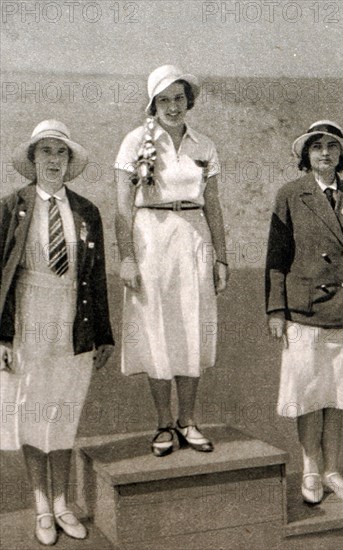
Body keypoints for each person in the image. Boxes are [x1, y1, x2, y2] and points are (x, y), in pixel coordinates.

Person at [0, 120, 114, 545]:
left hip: (74, 317)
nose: (53, 159)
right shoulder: (11, 208)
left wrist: (103, 334)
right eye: (44, 152)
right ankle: (41, 506)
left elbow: (95, 278)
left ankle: (63, 501)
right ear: (33, 161)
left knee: (63, 410)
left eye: (60, 152)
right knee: (31, 409)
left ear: (69, 162)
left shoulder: (87, 212)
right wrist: (1, 337)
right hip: (28, 315)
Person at [115, 65, 229, 457]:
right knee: (156, 328)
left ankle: (188, 419)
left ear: (189, 101)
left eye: (179, 98)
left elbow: (213, 206)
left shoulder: (205, 146)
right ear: (153, 104)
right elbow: (120, 209)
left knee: (191, 325)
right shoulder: (134, 143)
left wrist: (222, 258)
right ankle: (164, 422)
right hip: (150, 239)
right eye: (164, 100)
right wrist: (127, 257)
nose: (173, 107)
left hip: (194, 239)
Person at [265, 120, 343, 504]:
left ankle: (332, 470)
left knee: (336, 395)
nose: (324, 153)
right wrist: (276, 310)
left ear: (341, 154)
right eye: (316, 147)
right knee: (309, 395)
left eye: (332, 146)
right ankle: (310, 470)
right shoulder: (290, 196)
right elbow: (276, 259)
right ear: (305, 155)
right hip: (303, 312)